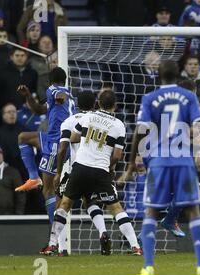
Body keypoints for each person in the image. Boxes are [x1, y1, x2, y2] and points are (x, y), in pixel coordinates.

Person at [125, 60, 200, 275]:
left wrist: (131, 163)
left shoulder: (149, 98)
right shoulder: (189, 96)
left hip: (158, 161)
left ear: (158, 75)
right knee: (193, 211)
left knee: (151, 211)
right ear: (178, 74)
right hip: (183, 159)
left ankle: (147, 266)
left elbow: (140, 131)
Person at [46, 90, 141, 257]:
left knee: (65, 205)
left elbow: (73, 138)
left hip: (80, 166)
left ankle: (53, 245)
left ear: (98, 103)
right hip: (101, 171)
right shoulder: (119, 125)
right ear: (115, 105)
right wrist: (109, 166)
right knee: (116, 208)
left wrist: (89, 138)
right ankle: (135, 247)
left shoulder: (87, 118)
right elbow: (117, 156)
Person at [14, 67, 75, 229]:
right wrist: (28, 96)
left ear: (49, 81)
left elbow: (59, 95)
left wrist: (60, 97)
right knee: (23, 138)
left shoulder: (55, 90)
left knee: (49, 191)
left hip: (56, 143)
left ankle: (55, 237)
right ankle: (33, 177)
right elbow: (39, 110)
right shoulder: (67, 96)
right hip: (52, 138)